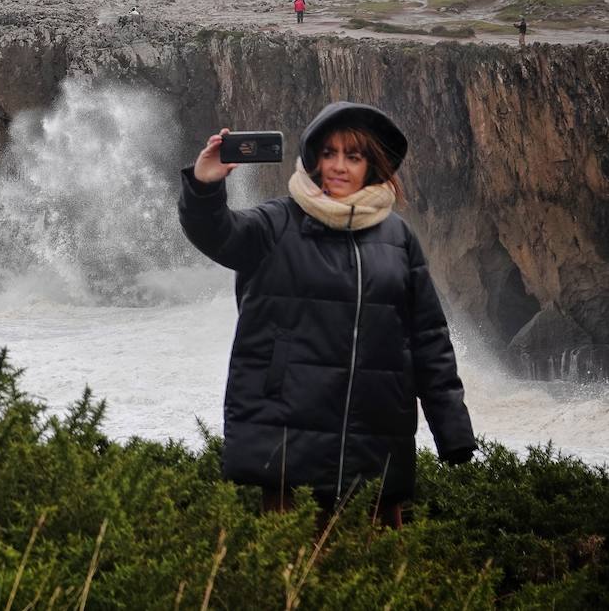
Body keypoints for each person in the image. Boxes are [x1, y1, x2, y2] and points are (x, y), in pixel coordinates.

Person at [178, 102, 475, 525]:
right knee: (293, 576)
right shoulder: (278, 222)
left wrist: (454, 434)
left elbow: (428, 339)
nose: (338, 166)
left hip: (376, 443)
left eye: (353, 156)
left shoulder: (397, 237)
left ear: (373, 165)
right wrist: (205, 186)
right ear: (314, 157)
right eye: (329, 153)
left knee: (374, 577)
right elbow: (218, 235)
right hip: (290, 439)